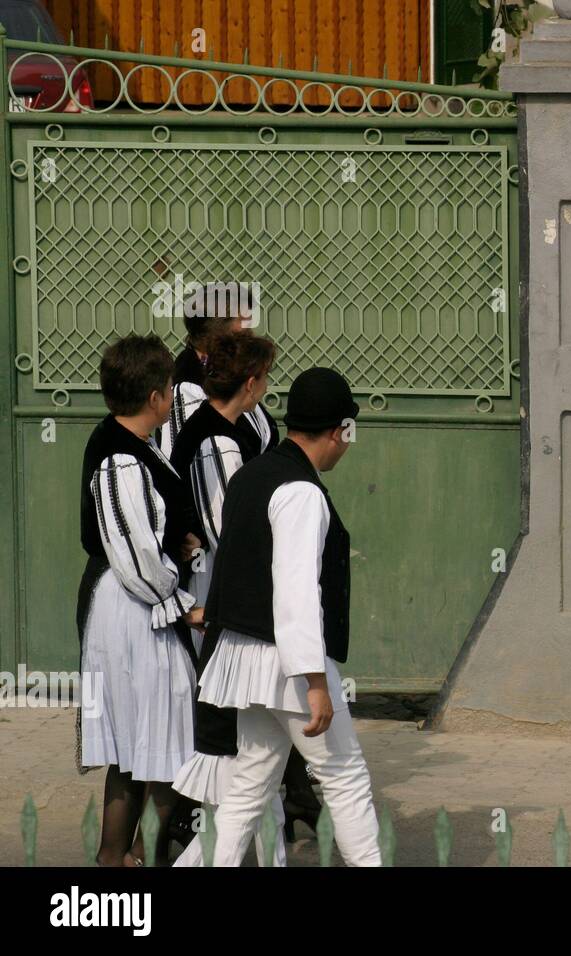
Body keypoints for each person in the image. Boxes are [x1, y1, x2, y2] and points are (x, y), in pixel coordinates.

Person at [193, 367, 382, 866]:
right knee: (345, 776)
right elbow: (296, 593)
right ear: (340, 430)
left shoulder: (253, 475)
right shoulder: (301, 492)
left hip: (242, 656)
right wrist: (315, 681)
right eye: (349, 433)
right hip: (287, 663)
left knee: (250, 783)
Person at [76, 334, 205, 865]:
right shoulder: (120, 459)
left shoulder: (137, 447)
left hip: (139, 606)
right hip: (136, 611)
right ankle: (128, 858)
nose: (174, 394)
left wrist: (182, 537)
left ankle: (127, 858)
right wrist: (183, 601)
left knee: (141, 743)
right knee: (162, 740)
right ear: (156, 397)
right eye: (170, 386)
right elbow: (136, 559)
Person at [167, 333, 292, 867]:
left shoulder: (234, 429)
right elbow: (229, 529)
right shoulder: (216, 441)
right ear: (251, 381)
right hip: (229, 595)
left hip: (230, 591)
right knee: (243, 765)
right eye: (266, 374)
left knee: (253, 768)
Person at [158, 281, 276, 461]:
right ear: (216, 329)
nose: (250, 330)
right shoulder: (187, 387)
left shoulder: (230, 373)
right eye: (243, 320)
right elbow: (191, 465)